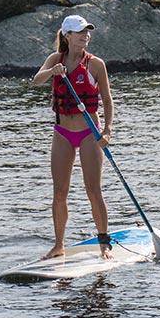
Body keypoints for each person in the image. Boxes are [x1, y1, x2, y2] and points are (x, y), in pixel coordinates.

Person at [32, 14, 114, 259]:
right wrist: (53, 71)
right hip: (62, 133)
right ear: (67, 35)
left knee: (93, 190)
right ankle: (59, 246)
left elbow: (108, 101)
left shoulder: (95, 64)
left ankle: (104, 245)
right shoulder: (55, 59)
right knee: (60, 191)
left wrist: (107, 130)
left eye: (87, 31)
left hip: (90, 133)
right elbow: (36, 80)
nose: (86, 35)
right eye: (80, 32)